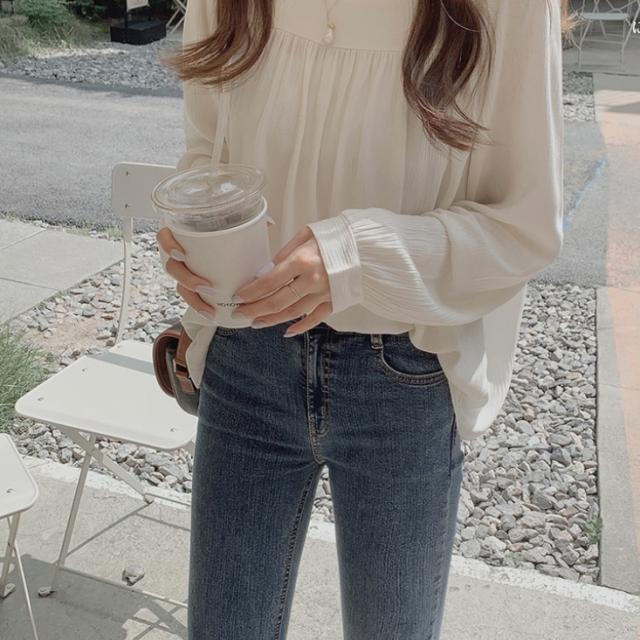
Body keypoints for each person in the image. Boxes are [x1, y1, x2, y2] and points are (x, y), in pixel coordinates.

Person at [156, 1, 569, 638]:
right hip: (246, 353)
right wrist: (202, 243)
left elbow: (525, 227)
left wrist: (357, 256)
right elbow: (210, 148)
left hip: (403, 374)